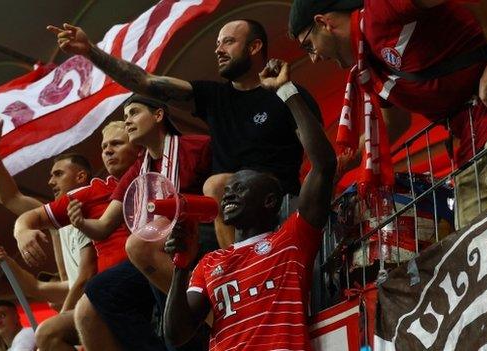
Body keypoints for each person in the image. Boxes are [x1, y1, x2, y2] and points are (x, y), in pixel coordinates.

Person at [47, 19, 321, 249]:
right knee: (141, 245)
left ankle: (237, 268)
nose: (218, 50)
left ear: (254, 46)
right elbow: (146, 83)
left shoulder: (287, 94)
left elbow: (318, 157)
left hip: (276, 201)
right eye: (217, 44)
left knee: (216, 185)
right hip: (221, 213)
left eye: (228, 42)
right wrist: (91, 52)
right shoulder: (213, 96)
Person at [288, 0, 487, 229]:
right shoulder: (371, 67)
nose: (313, 58)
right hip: (470, 143)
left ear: (323, 23)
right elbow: (394, 122)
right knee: (477, 252)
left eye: (308, 45)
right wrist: (349, 160)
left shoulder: (382, 9)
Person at [164, 58, 336, 350]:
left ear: (269, 201)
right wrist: (181, 266)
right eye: (228, 190)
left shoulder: (292, 239)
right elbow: (175, 336)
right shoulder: (208, 263)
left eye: (240, 189)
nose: (227, 195)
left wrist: (286, 92)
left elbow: (324, 166)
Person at [70, 95, 211, 350]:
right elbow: (102, 227)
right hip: (155, 249)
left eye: (134, 113)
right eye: (125, 117)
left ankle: (209, 319)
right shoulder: (138, 168)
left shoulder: (197, 146)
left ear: (158, 116)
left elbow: (220, 198)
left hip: (198, 238)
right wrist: (80, 222)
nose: (128, 122)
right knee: (99, 292)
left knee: (140, 246)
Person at [12, 121, 140, 350]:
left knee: (86, 306)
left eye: (117, 143)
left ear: (138, 147)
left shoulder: (159, 173)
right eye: (104, 147)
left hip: (142, 277)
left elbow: (85, 274)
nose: (108, 151)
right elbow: (26, 214)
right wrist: (22, 232)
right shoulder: (90, 193)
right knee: (49, 334)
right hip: (109, 292)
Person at [0, 118, 97, 312]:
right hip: (85, 305)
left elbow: (85, 279)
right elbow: (10, 198)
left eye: (58, 174)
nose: (50, 182)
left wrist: (63, 318)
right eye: (51, 175)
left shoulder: (100, 209)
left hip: (105, 303)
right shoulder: (55, 219)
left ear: (80, 177)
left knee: (47, 335)